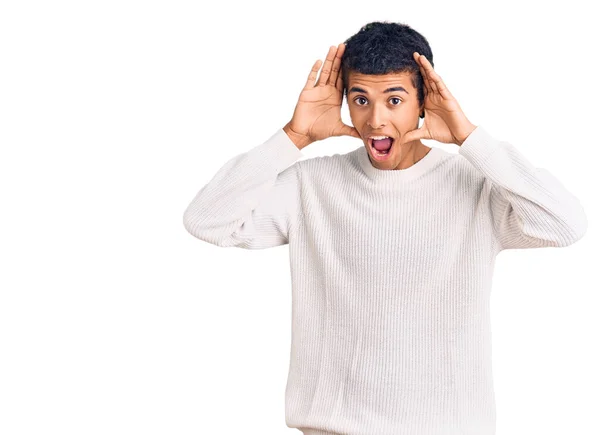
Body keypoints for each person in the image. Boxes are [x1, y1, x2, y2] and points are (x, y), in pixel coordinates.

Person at [182, 21, 587, 435]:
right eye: (361, 99)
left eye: (394, 99)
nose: (375, 119)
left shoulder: (475, 185)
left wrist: (470, 139)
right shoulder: (312, 185)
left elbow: (564, 224)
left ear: (424, 102)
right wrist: (293, 137)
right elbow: (207, 220)